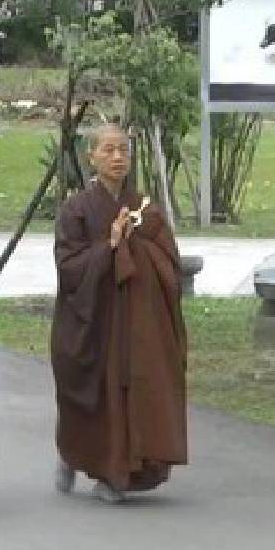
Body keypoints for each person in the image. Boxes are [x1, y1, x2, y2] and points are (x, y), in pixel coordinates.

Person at [51, 123, 188, 504]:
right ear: (91, 156)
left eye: (123, 151)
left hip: (137, 324)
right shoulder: (76, 209)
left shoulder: (146, 209)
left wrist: (137, 247)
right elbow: (68, 266)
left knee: (133, 392)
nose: (116, 158)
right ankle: (74, 454)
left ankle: (116, 474)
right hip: (93, 320)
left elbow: (169, 264)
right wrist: (108, 247)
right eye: (108, 150)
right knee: (92, 392)